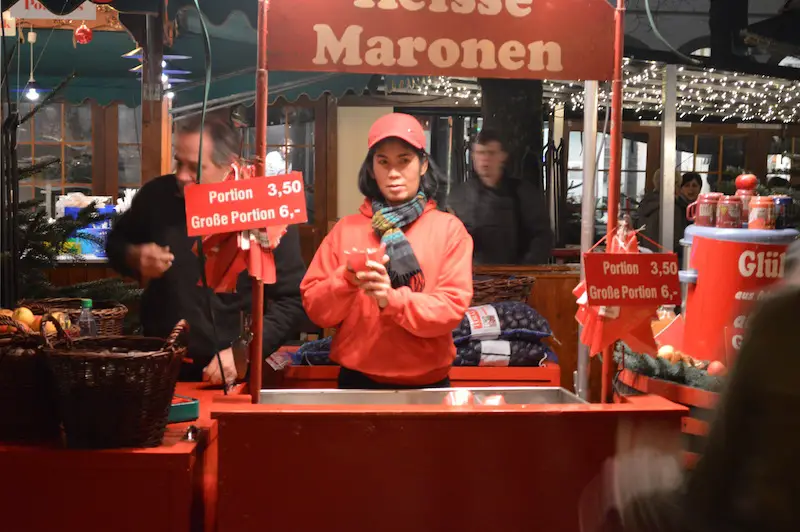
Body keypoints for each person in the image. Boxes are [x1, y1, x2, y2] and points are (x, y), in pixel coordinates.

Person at [106, 111, 307, 385]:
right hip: (161, 364)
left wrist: (243, 352)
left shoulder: (265, 208)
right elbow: (114, 244)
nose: (181, 176)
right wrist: (133, 257)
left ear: (228, 163)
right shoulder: (157, 196)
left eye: (194, 167)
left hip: (231, 372)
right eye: (178, 162)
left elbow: (293, 301)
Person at [300, 113, 474, 389]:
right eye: (383, 162)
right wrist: (345, 281)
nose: (393, 172)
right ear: (371, 169)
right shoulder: (345, 229)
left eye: (404, 161)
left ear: (423, 165)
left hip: (428, 385)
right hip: (356, 382)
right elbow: (317, 310)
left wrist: (390, 300)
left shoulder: (449, 230)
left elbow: (450, 310)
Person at [447, 128, 552, 265]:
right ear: (473, 156)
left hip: (516, 279)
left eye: (491, 153)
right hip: (471, 278)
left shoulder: (523, 194)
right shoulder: (458, 196)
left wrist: (525, 270)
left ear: (502, 156)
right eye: (480, 153)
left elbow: (542, 237)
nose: (485, 159)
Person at [638, 171, 702, 259]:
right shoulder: (672, 208)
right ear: (672, 185)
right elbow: (678, 242)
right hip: (666, 261)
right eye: (680, 186)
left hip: (645, 258)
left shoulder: (646, 203)